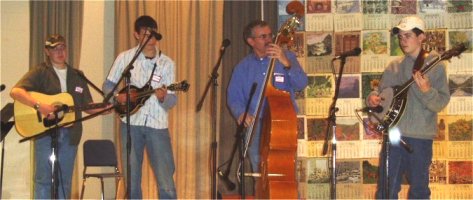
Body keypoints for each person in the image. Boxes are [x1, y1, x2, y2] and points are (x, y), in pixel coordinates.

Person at [10, 34, 110, 198]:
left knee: (65, 181)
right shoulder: (41, 71)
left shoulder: (78, 75)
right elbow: (16, 92)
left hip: (71, 134)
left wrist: (104, 109)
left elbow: (87, 105)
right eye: (55, 48)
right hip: (45, 133)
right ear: (47, 51)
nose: (60, 51)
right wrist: (40, 106)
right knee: (43, 180)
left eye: (62, 47)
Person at [366, 16, 450, 199]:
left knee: (419, 192)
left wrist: (427, 90)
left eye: (408, 35)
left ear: (421, 37)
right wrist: (372, 99)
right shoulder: (394, 66)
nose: (403, 40)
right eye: (401, 36)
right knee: (386, 191)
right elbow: (381, 96)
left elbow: (441, 102)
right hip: (394, 136)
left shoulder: (436, 65)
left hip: (420, 138)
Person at [103, 15, 177, 199]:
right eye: (145, 34)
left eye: (153, 34)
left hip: (157, 126)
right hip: (130, 124)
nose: (150, 39)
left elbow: (172, 101)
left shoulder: (166, 63)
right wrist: (116, 97)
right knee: (132, 178)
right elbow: (108, 86)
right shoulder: (125, 58)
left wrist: (163, 97)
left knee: (165, 180)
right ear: (136, 35)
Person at [227, 20, 308, 173]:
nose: (269, 40)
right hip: (256, 125)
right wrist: (241, 113)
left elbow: (302, 83)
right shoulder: (242, 67)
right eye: (263, 37)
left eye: (270, 35)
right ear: (251, 41)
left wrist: (285, 62)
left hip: (283, 125)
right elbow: (234, 97)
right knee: (260, 169)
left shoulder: (287, 56)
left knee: (286, 169)